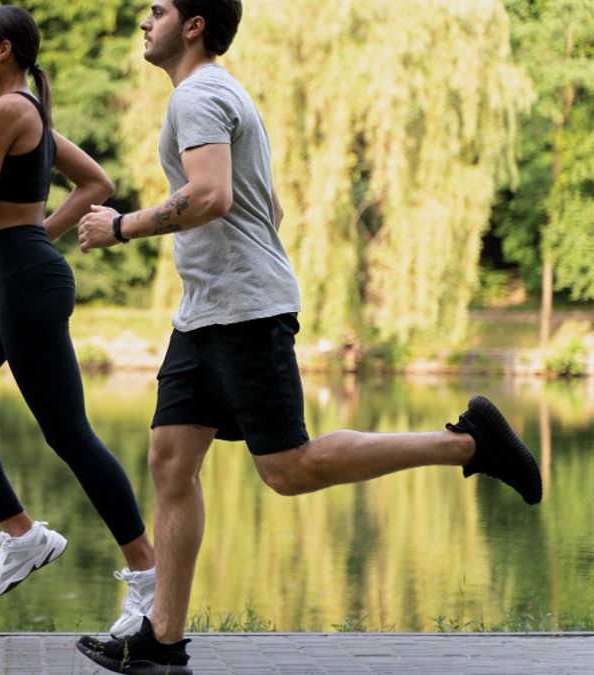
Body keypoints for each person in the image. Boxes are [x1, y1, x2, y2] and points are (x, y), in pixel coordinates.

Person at [73, 2, 543, 672]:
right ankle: (162, 640)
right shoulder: (216, 92)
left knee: (288, 468)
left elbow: (209, 195)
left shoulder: (200, 94)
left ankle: (468, 441)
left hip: (243, 311)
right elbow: (272, 204)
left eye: (159, 9)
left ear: (196, 23)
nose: (145, 22)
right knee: (172, 461)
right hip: (206, 312)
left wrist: (119, 227)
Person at [0, 5, 157, 635]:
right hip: (10, 280)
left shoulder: (5, 110)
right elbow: (95, 182)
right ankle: (22, 535)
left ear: (7, 51)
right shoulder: (31, 115)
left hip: (24, 283)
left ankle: (149, 576)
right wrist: (40, 236)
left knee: (70, 435)